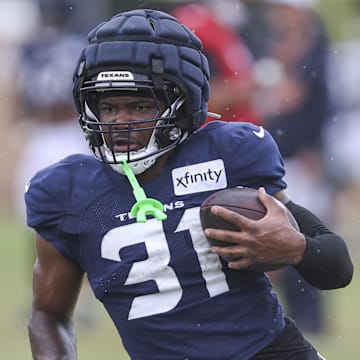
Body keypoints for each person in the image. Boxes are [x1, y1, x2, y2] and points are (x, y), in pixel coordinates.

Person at [25, 9, 353, 360]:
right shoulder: (67, 191)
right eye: (108, 106)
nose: (120, 122)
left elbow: (337, 267)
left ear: (181, 103)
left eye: (138, 105)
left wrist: (297, 248)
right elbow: (48, 314)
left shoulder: (230, 154)